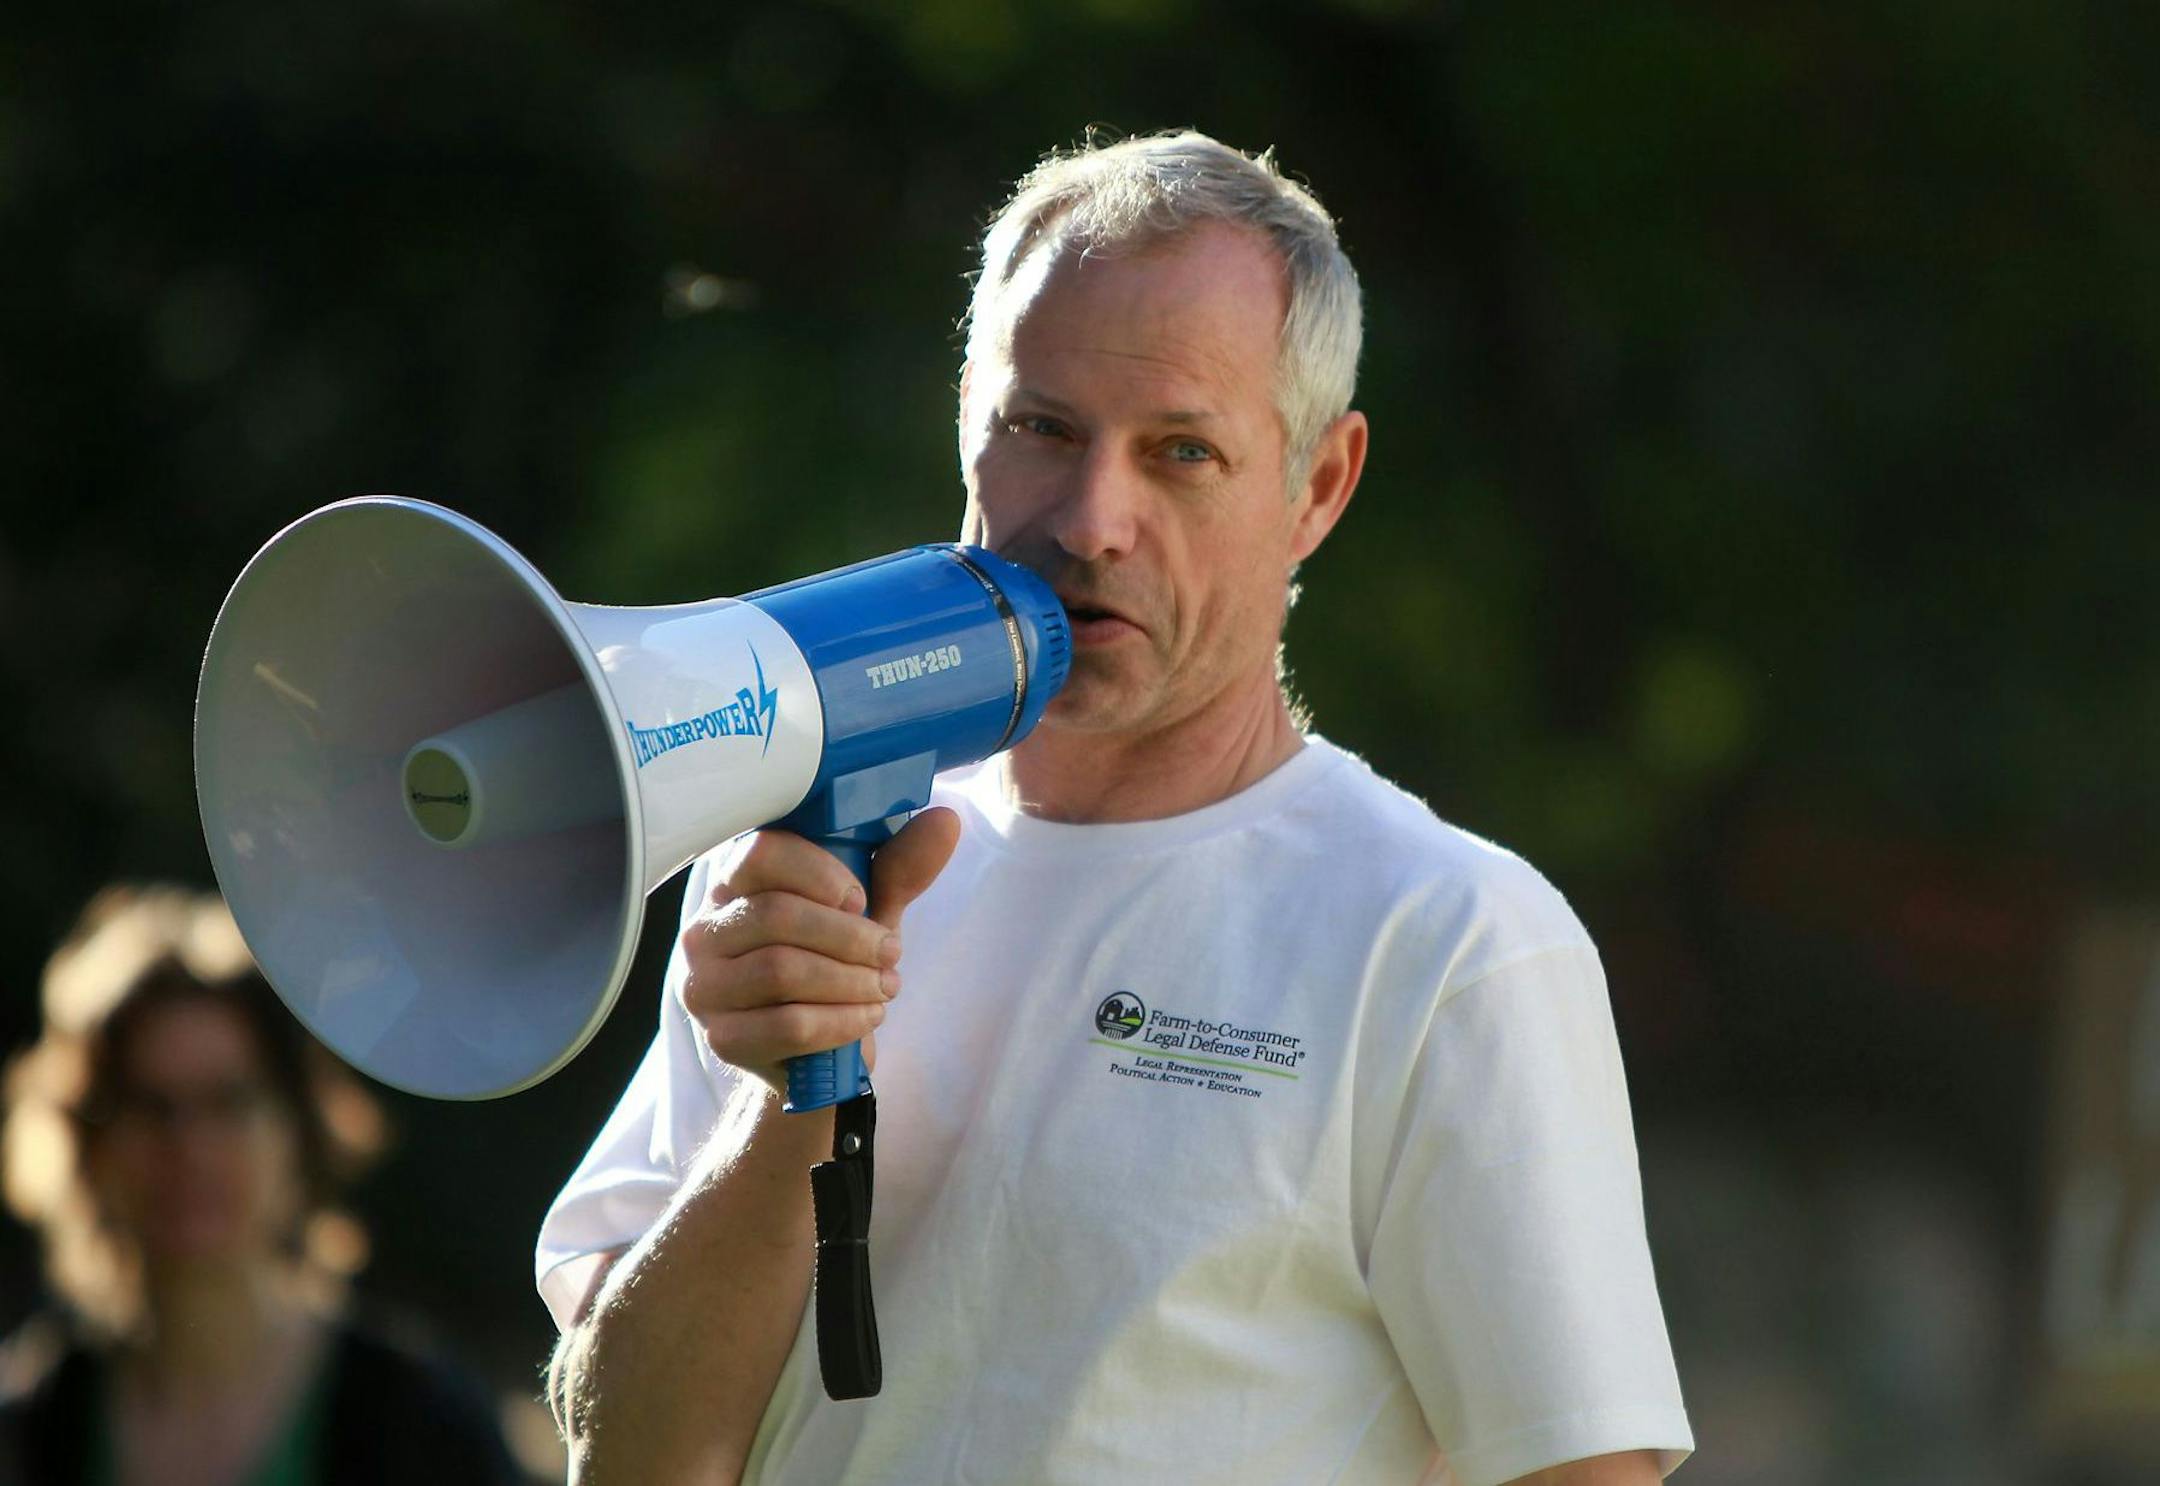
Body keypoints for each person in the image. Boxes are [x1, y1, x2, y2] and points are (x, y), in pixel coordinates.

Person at [539, 130, 1696, 1485]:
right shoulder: (781, 861)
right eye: (1045, 429)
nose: (1093, 518)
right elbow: (626, 1462)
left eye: (1182, 453)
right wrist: (782, 1100)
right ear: (966, 420)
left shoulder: (1445, 940)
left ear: (1318, 484)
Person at [0, 884, 522, 1486]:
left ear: (299, 1132)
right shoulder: (30, 1429)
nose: (189, 1148)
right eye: (151, 1107)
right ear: (87, 1144)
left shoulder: (425, 1426)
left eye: (228, 1103)